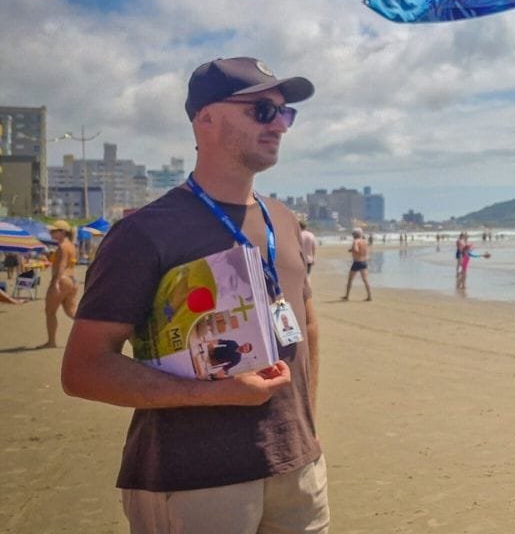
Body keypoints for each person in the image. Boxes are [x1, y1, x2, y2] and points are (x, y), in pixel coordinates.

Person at [61, 56, 327, 533]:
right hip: (194, 479)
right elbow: (83, 369)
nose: (280, 126)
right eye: (262, 111)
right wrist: (215, 394)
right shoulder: (144, 232)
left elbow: (306, 324)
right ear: (205, 119)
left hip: (299, 469)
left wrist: (308, 426)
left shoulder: (283, 219)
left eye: (286, 113)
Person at [41, 220, 79, 348]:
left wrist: (56, 282)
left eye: (53, 231)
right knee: (71, 312)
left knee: (50, 312)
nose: (50, 232)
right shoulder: (71, 245)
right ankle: (93, 334)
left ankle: (51, 342)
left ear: (62, 232)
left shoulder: (63, 246)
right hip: (72, 281)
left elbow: (62, 264)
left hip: (62, 280)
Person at [343, 228, 371, 302]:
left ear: (355, 235)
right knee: (365, 280)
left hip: (357, 262)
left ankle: (347, 296)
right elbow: (365, 251)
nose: (352, 236)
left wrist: (352, 250)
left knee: (350, 279)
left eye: (353, 234)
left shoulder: (355, 241)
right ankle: (369, 296)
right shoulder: (364, 241)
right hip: (364, 261)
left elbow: (356, 250)